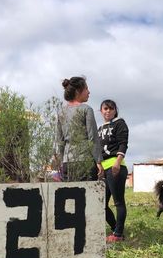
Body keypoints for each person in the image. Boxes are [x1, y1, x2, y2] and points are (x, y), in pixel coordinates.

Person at [54, 76, 103, 181]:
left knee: (71, 191)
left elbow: (60, 140)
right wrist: (98, 161)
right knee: (88, 191)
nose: (89, 92)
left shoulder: (61, 112)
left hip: (67, 162)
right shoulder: (86, 109)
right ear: (77, 91)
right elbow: (93, 138)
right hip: (85, 162)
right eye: (86, 89)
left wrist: (63, 160)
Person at [97, 99, 129, 243]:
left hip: (116, 166)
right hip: (103, 169)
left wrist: (117, 162)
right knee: (101, 203)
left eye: (111, 108)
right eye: (105, 108)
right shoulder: (99, 128)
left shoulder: (119, 123)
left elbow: (123, 143)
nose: (108, 111)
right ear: (101, 111)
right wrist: (99, 165)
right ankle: (116, 228)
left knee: (118, 202)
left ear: (115, 110)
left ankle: (118, 234)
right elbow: (97, 148)